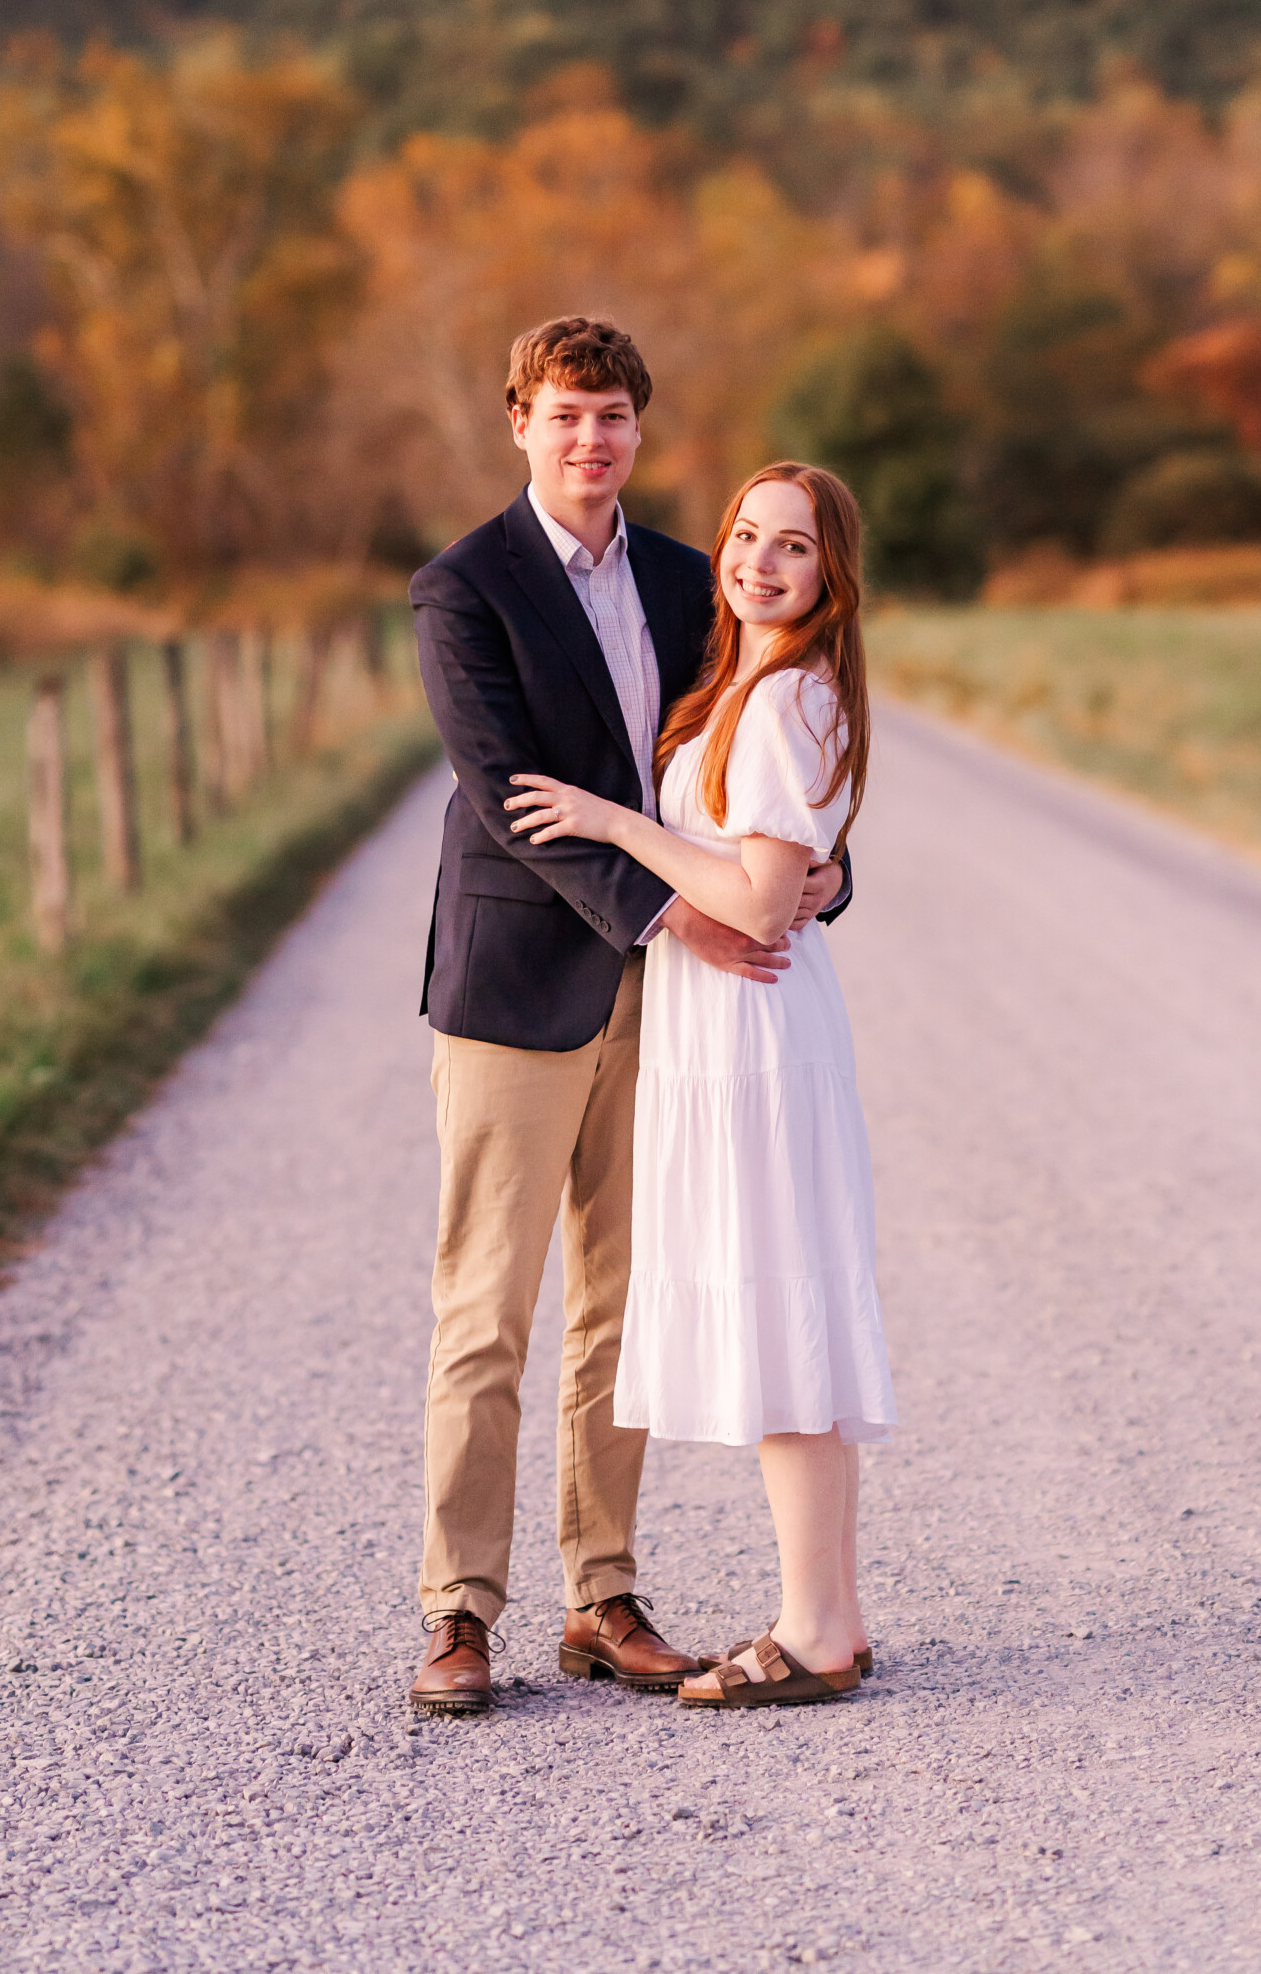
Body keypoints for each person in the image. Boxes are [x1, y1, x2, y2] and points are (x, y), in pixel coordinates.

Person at [407, 321, 852, 1718]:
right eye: (562, 415)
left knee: (618, 1303)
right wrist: (676, 915)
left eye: (610, 416)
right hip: (519, 987)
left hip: (666, 1003)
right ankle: (458, 1612)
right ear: (519, 425)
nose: (588, 439)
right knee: (486, 1309)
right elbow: (505, 793)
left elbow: (749, 763)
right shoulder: (461, 589)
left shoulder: (685, 577)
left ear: (636, 431)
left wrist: (818, 880)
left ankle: (600, 1594)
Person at [507, 460, 896, 1708]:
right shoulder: (748, 680)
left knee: (784, 1321)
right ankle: (829, 1612)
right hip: (732, 1025)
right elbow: (789, 868)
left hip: (755, 1032)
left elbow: (763, 897)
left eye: (792, 546)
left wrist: (614, 821)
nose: (757, 561)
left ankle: (814, 1631)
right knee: (795, 1317)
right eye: (744, 535)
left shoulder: (783, 698)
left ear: (829, 572)